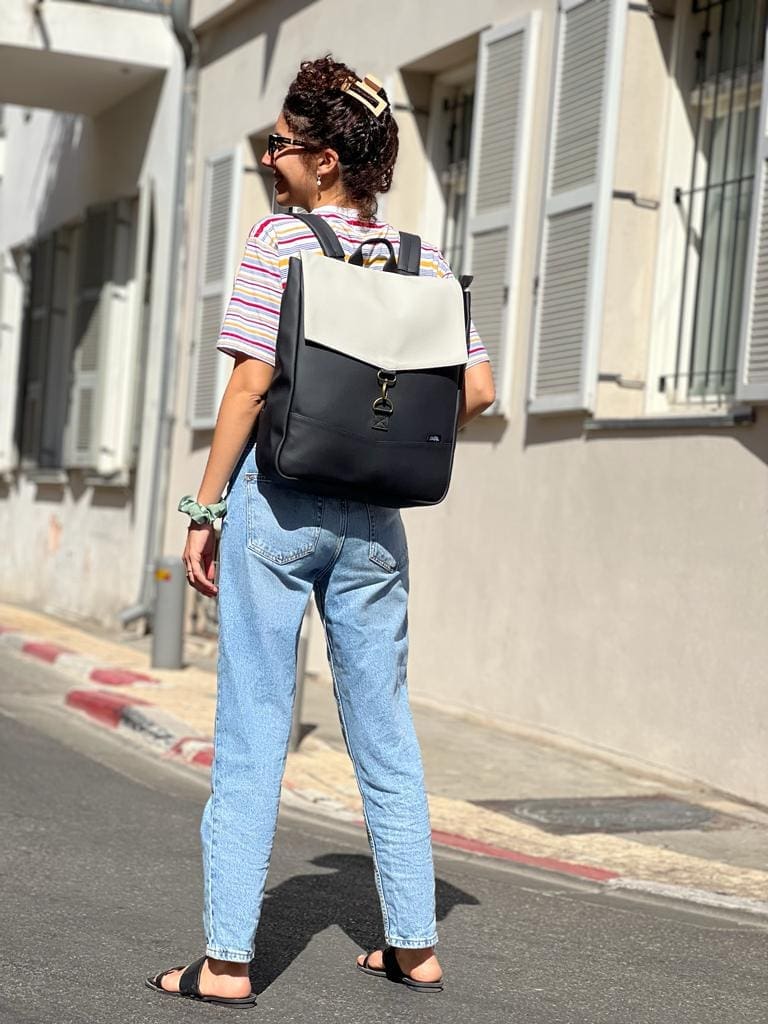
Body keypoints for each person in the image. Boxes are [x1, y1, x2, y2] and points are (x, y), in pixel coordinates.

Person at [146, 56, 495, 1007]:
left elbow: (252, 384)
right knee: (384, 729)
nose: (270, 157)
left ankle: (224, 962)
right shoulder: (420, 260)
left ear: (327, 160)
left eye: (283, 145)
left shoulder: (278, 241)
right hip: (377, 526)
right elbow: (479, 389)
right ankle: (414, 944)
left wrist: (205, 507)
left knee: (255, 725)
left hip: (279, 508)